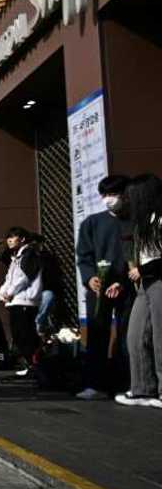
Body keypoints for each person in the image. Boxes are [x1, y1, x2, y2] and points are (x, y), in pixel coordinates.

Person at [76, 175, 134, 400]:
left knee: (127, 335)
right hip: (98, 288)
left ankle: (126, 382)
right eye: (105, 194)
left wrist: (125, 281)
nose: (109, 199)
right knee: (97, 334)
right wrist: (90, 278)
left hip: (128, 287)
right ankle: (94, 384)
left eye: (114, 194)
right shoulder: (92, 222)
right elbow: (84, 255)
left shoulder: (135, 221)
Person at [117, 175, 162, 408]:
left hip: (158, 281)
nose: (128, 200)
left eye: (132, 195)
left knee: (160, 337)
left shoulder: (159, 219)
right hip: (145, 284)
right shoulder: (143, 222)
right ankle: (143, 388)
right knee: (135, 335)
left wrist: (143, 269)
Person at [0, 227, 43, 371]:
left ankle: (34, 365)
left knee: (25, 335)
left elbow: (23, 278)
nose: (9, 240)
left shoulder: (29, 254)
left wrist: (9, 292)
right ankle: (31, 365)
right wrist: (3, 292)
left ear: (22, 239)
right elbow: (9, 278)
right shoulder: (17, 256)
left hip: (25, 300)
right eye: (8, 238)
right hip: (16, 301)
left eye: (13, 237)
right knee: (19, 335)